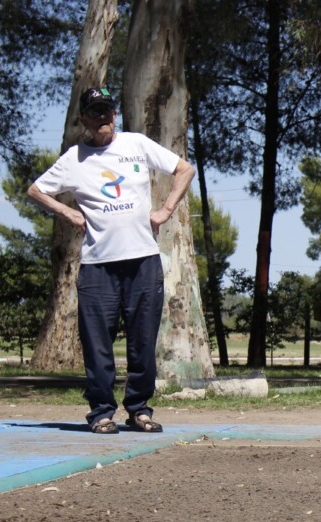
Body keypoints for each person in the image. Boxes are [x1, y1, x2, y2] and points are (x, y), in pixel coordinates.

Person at [28, 87, 195, 434]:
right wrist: (66, 212)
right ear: (84, 120)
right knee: (97, 343)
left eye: (107, 111)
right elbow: (35, 190)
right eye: (95, 112)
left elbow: (184, 170)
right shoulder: (74, 159)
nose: (103, 118)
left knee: (143, 342)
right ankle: (102, 412)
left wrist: (166, 209)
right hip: (98, 266)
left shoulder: (135, 144)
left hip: (143, 263)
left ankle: (139, 410)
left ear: (115, 114)